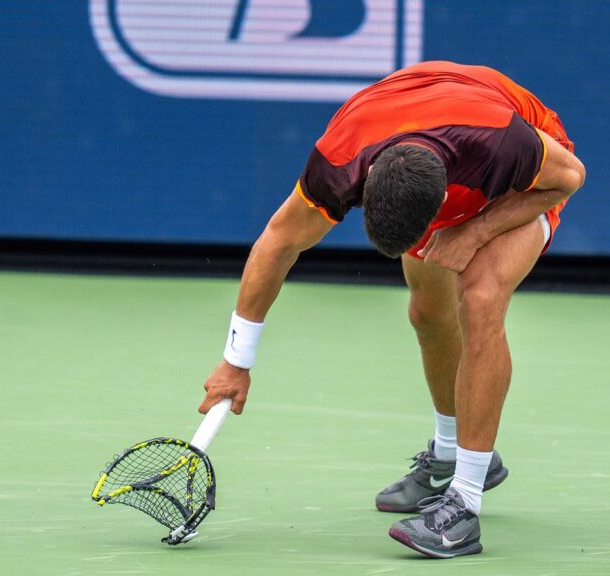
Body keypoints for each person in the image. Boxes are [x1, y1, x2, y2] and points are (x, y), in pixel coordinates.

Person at [197, 61, 586, 558]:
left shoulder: (504, 144)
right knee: (427, 313)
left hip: (524, 175)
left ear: (444, 199)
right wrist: (236, 361)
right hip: (423, 134)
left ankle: (463, 507)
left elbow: (570, 178)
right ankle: (452, 454)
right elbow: (278, 242)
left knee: (480, 297)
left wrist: (474, 231)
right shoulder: (341, 158)